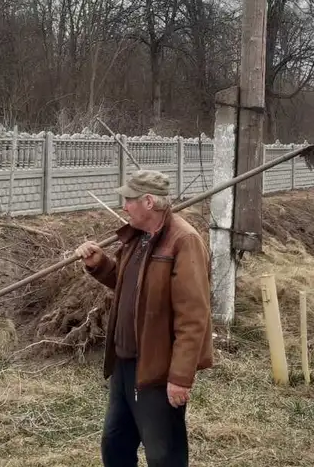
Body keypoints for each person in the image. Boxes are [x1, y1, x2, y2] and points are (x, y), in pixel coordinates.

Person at [73, 170, 214, 467]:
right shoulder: (136, 239)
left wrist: (180, 377)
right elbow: (132, 288)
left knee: (164, 455)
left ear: (148, 202)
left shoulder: (183, 241)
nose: (124, 206)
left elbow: (193, 316)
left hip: (157, 370)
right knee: (115, 447)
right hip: (124, 366)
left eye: (129, 200)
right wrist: (100, 265)